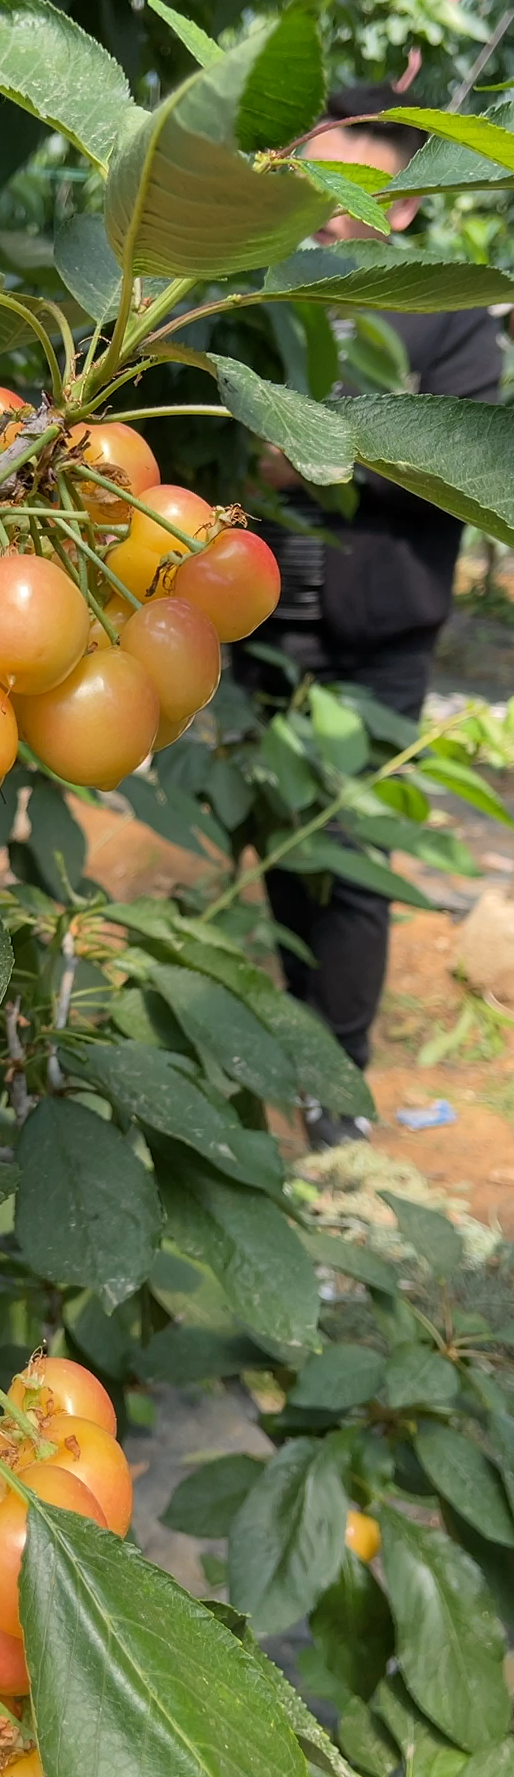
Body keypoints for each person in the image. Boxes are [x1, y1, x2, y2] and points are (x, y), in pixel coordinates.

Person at [233, 82, 504, 1149]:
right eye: (314, 175)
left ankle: (336, 1094)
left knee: (343, 858)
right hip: (261, 629)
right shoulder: (259, 293)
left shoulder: (444, 319)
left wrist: (302, 448)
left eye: (357, 185)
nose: (329, 204)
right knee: (277, 850)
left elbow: (456, 452)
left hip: (372, 644)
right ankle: (307, 1066)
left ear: (410, 206)